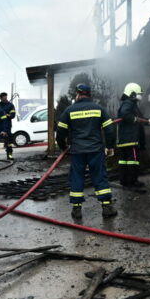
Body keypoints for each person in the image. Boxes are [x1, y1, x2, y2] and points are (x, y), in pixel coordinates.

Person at [55, 83, 117, 219]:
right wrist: (110, 146)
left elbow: (60, 132)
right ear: (89, 94)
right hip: (95, 150)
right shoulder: (99, 109)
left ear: (77, 94)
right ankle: (106, 206)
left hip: (77, 151)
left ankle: (76, 209)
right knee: (99, 176)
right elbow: (110, 129)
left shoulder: (69, 111)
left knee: (77, 177)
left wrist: (63, 147)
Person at [116, 82, 148, 189]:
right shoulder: (129, 103)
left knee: (123, 160)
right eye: (139, 93)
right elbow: (126, 114)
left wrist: (148, 121)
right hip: (131, 138)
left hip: (124, 139)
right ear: (132, 93)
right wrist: (135, 119)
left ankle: (124, 180)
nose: (140, 96)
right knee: (133, 160)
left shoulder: (128, 103)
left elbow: (140, 118)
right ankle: (132, 181)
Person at [0, 92, 17, 160]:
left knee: (8, 141)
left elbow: (13, 115)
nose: (1, 98)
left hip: (7, 126)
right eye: (0, 97)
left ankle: (9, 155)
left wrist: (6, 114)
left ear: (5, 97)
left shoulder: (10, 105)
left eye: (2, 97)